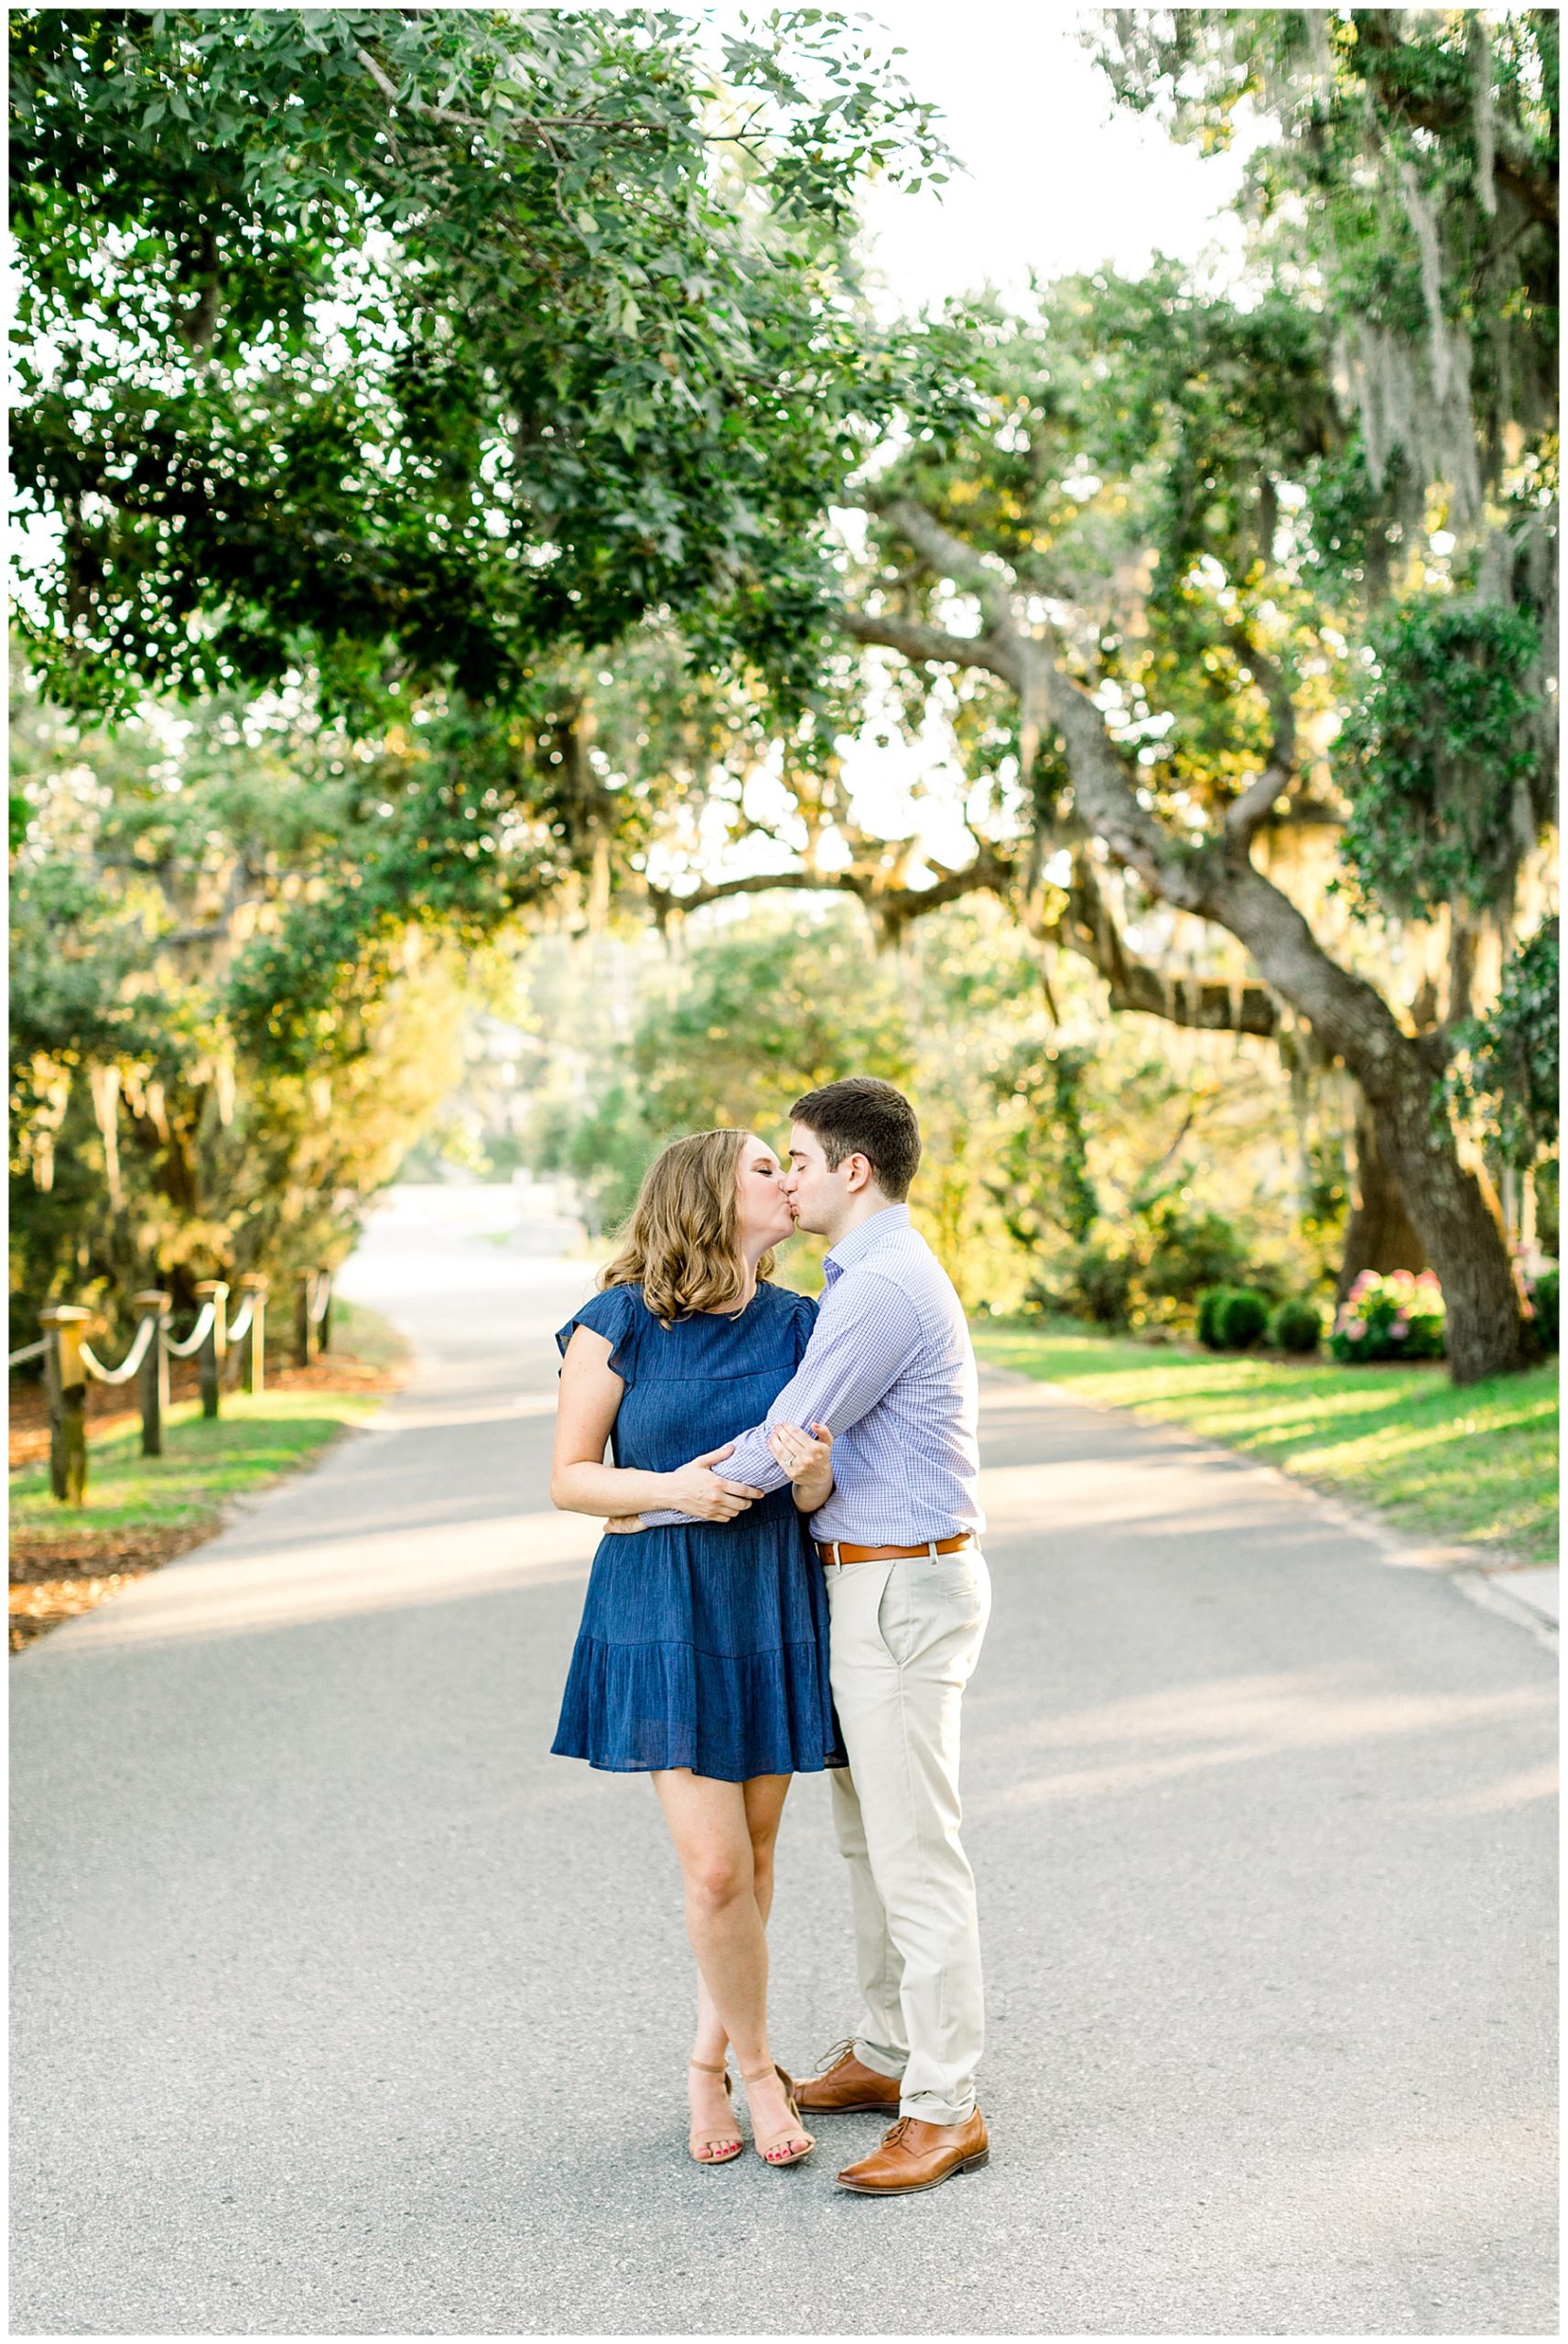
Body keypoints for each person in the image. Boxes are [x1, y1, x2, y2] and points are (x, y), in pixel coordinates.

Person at [629, 1078, 992, 2198]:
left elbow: (785, 1435)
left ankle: (946, 2105)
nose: (787, 1178)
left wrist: (647, 1505)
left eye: (796, 1159)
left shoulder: (879, 1290)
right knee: (871, 1844)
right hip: (863, 1585)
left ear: (853, 1170)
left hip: (899, 1588)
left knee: (915, 1852)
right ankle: (888, 2052)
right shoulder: (860, 1277)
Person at [548, 1126, 841, 2170]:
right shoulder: (618, 1321)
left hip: (766, 1593)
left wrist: (810, 1475)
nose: (788, 1181)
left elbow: (816, 1486)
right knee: (715, 1868)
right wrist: (675, 1488)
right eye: (765, 1167)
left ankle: (708, 2058)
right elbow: (571, 1477)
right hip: (662, 1599)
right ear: (706, 1193)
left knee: (755, 1857)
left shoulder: (805, 1325)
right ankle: (757, 2073)